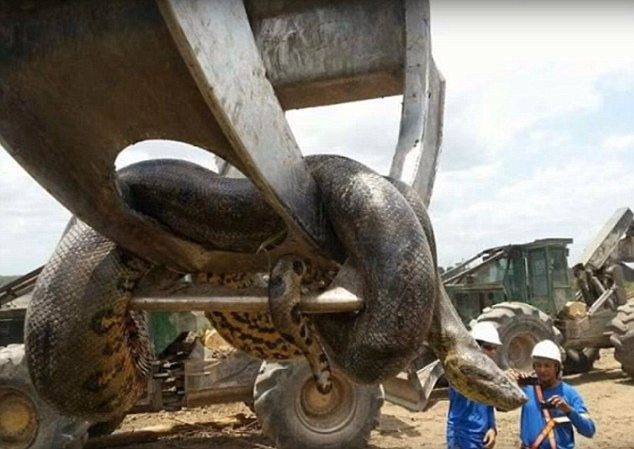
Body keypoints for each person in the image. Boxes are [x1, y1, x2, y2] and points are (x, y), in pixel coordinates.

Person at [509, 340, 596, 449]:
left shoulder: (569, 393)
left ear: (556, 367)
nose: (542, 370)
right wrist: (511, 384)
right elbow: (500, 408)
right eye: (538, 365)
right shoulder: (527, 389)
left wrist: (568, 410)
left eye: (547, 366)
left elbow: (589, 430)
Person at [446, 322, 501, 449]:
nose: (492, 352)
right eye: (488, 347)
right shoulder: (460, 371)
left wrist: (492, 427)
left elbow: (488, 405)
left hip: (482, 435)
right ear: (475, 346)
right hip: (462, 436)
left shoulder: (487, 373)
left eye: (495, 348)